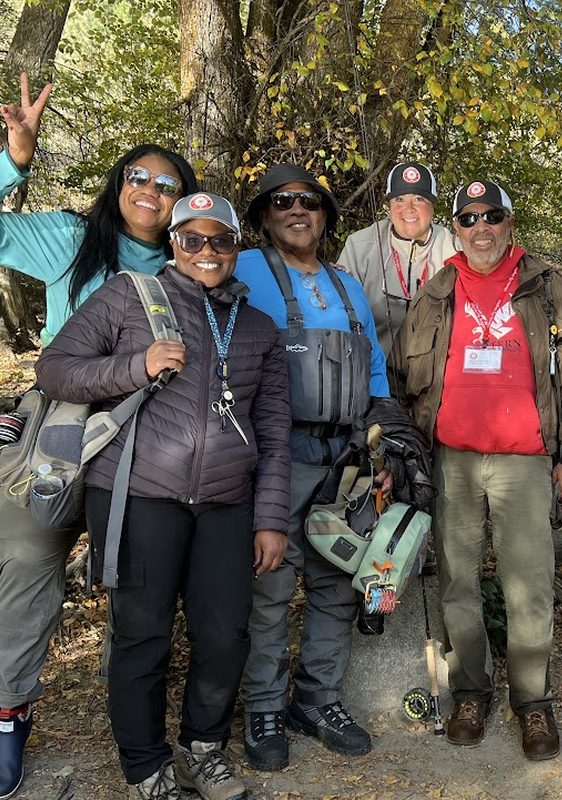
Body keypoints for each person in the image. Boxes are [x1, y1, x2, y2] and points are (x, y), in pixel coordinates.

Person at [0, 73, 197, 800]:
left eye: (168, 183)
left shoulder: (190, 266)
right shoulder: (72, 239)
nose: (151, 189)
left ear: (183, 202)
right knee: (29, 564)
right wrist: (13, 158)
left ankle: (132, 720)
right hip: (60, 429)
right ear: (119, 184)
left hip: (150, 440)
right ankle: (10, 715)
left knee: (137, 582)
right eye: (139, 176)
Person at [34, 192, 291, 800]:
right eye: (193, 239)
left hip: (228, 501)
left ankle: (205, 748)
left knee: (226, 633)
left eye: (220, 240)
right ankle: (146, 766)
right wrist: (135, 366)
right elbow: (56, 368)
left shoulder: (258, 328)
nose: (207, 251)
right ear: (173, 242)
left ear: (236, 246)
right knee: (143, 632)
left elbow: (276, 432)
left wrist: (272, 518)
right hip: (138, 493)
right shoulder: (130, 296)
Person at [391, 180, 562, 761]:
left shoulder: (546, 285)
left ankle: (533, 703)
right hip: (452, 458)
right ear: (454, 227)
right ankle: (470, 693)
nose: (481, 228)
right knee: (457, 582)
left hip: (525, 458)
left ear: (510, 223)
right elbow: (405, 378)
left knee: (528, 585)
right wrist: (409, 454)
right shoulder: (436, 291)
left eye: (493, 217)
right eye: (469, 219)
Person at [235, 164, 392, 770]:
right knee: (270, 587)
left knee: (336, 585)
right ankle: (264, 706)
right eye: (283, 202)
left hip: (346, 458)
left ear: (326, 216)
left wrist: (385, 442)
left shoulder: (348, 285)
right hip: (274, 456)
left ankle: (318, 699)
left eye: (310, 202)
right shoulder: (241, 269)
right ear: (264, 216)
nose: (297, 211)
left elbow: (374, 368)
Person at [336, 161, 457, 360]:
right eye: (399, 199)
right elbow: (342, 316)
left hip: (436, 376)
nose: (408, 208)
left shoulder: (454, 249)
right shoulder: (360, 246)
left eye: (419, 199)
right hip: (374, 370)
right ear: (389, 205)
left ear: (433, 205)